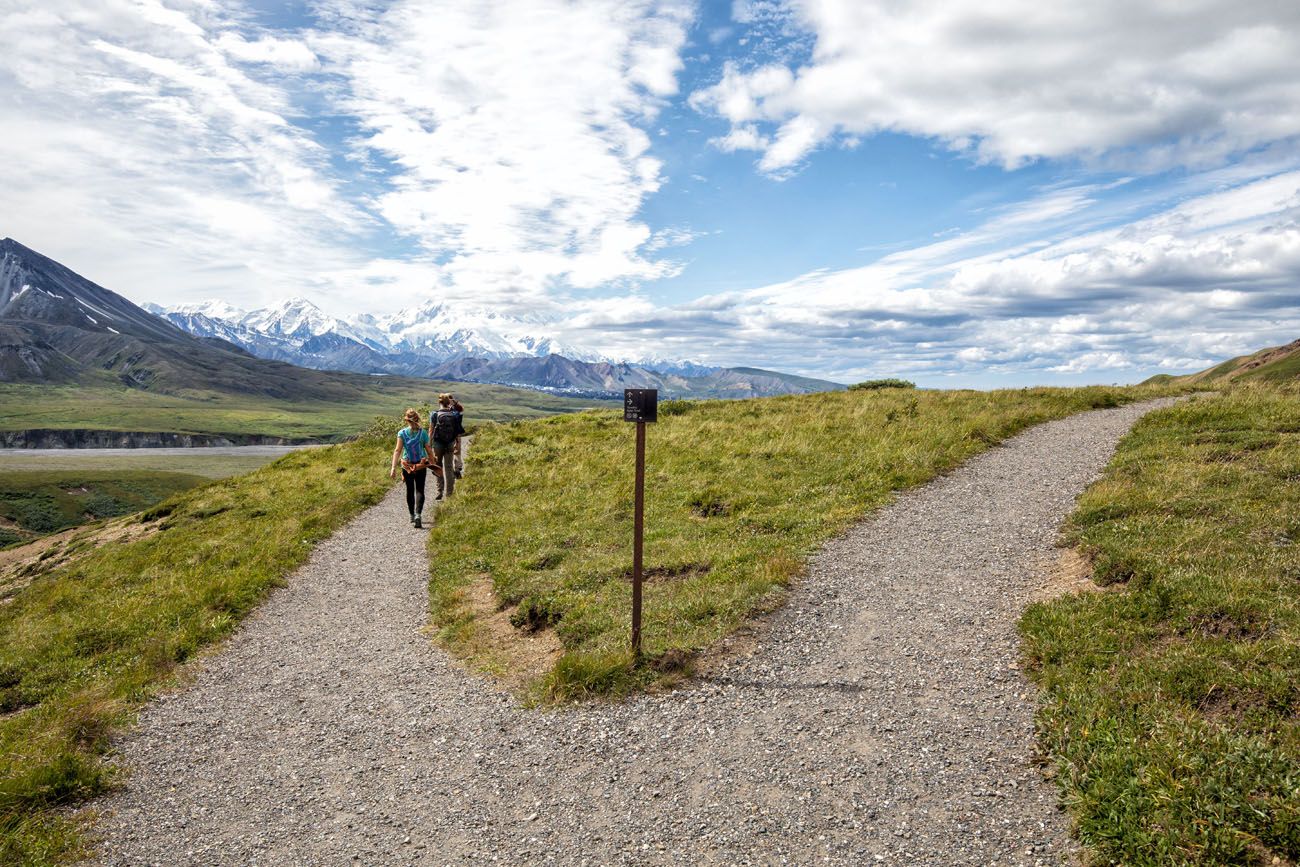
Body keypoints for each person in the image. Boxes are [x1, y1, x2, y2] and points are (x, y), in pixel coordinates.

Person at [390, 408, 435, 528]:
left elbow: (397, 450)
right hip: (420, 465)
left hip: (407, 466)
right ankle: (418, 515)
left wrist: (393, 467)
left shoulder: (402, 433)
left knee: (410, 490)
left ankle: (411, 515)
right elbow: (429, 449)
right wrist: (433, 462)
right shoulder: (423, 433)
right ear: (417, 419)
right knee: (420, 490)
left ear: (407, 420)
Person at [429, 393, 464, 500]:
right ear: (448, 402)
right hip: (450, 443)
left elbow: (430, 431)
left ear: (439, 402)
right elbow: (457, 431)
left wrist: (428, 446)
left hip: (438, 444)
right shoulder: (454, 414)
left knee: (438, 467)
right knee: (449, 468)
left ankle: (439, 491)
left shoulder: (434, 414)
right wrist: (457, 444)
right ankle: (449, 494)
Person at [450, 394, 465, 479]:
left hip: (451, 434)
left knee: (451, 452)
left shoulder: (448, 409)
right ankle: (458, 468)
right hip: (457, 433)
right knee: (457, 452)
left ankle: (454, 469)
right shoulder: (458, 408)